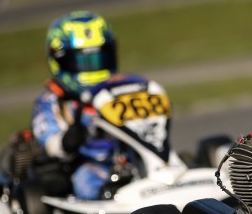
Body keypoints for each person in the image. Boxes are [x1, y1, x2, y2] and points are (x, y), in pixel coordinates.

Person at [31, 11, 172, 199]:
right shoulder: (53, 100)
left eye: (101, 58)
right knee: (85, 180)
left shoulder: (121, 90)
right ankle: (108, 197)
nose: (94, 68)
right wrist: (68, 140)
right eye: (84, 61)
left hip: (133, 156)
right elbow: (50, 142)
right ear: (60, 61)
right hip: (90, 163)